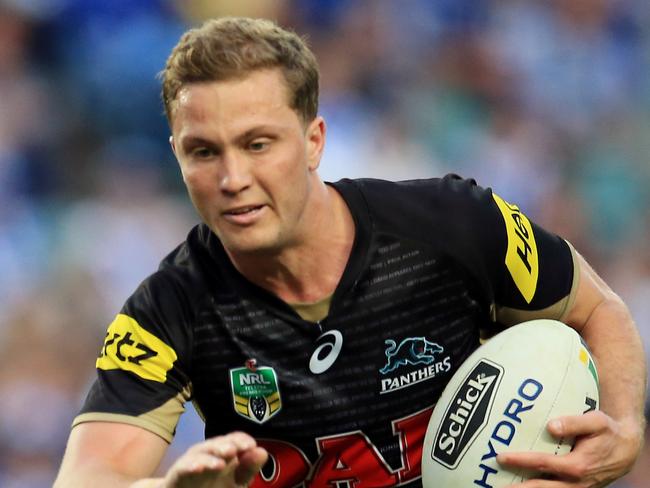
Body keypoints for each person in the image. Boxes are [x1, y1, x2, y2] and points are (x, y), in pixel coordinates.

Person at [54, 16, 646, 488]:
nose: (232, 177)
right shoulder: (167, 310)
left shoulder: (454, 225)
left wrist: (624, 428)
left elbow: (597, 311)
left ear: (314, 141)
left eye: (257, 144)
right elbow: (89, 475)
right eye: (203, 152)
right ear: (176, 156)